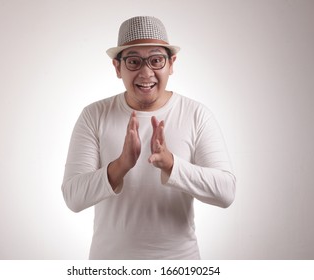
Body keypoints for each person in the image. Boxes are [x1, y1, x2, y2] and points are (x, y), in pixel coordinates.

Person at [61, 16, 236, 259]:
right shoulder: (94, 115)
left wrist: (170, 164)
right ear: (117, 67)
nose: (146, 72)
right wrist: (121, 165)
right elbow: (73, 197)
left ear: (171, 64)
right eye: (134, 61)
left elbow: (226, 192)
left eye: (156, 60)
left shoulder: (196, 114)